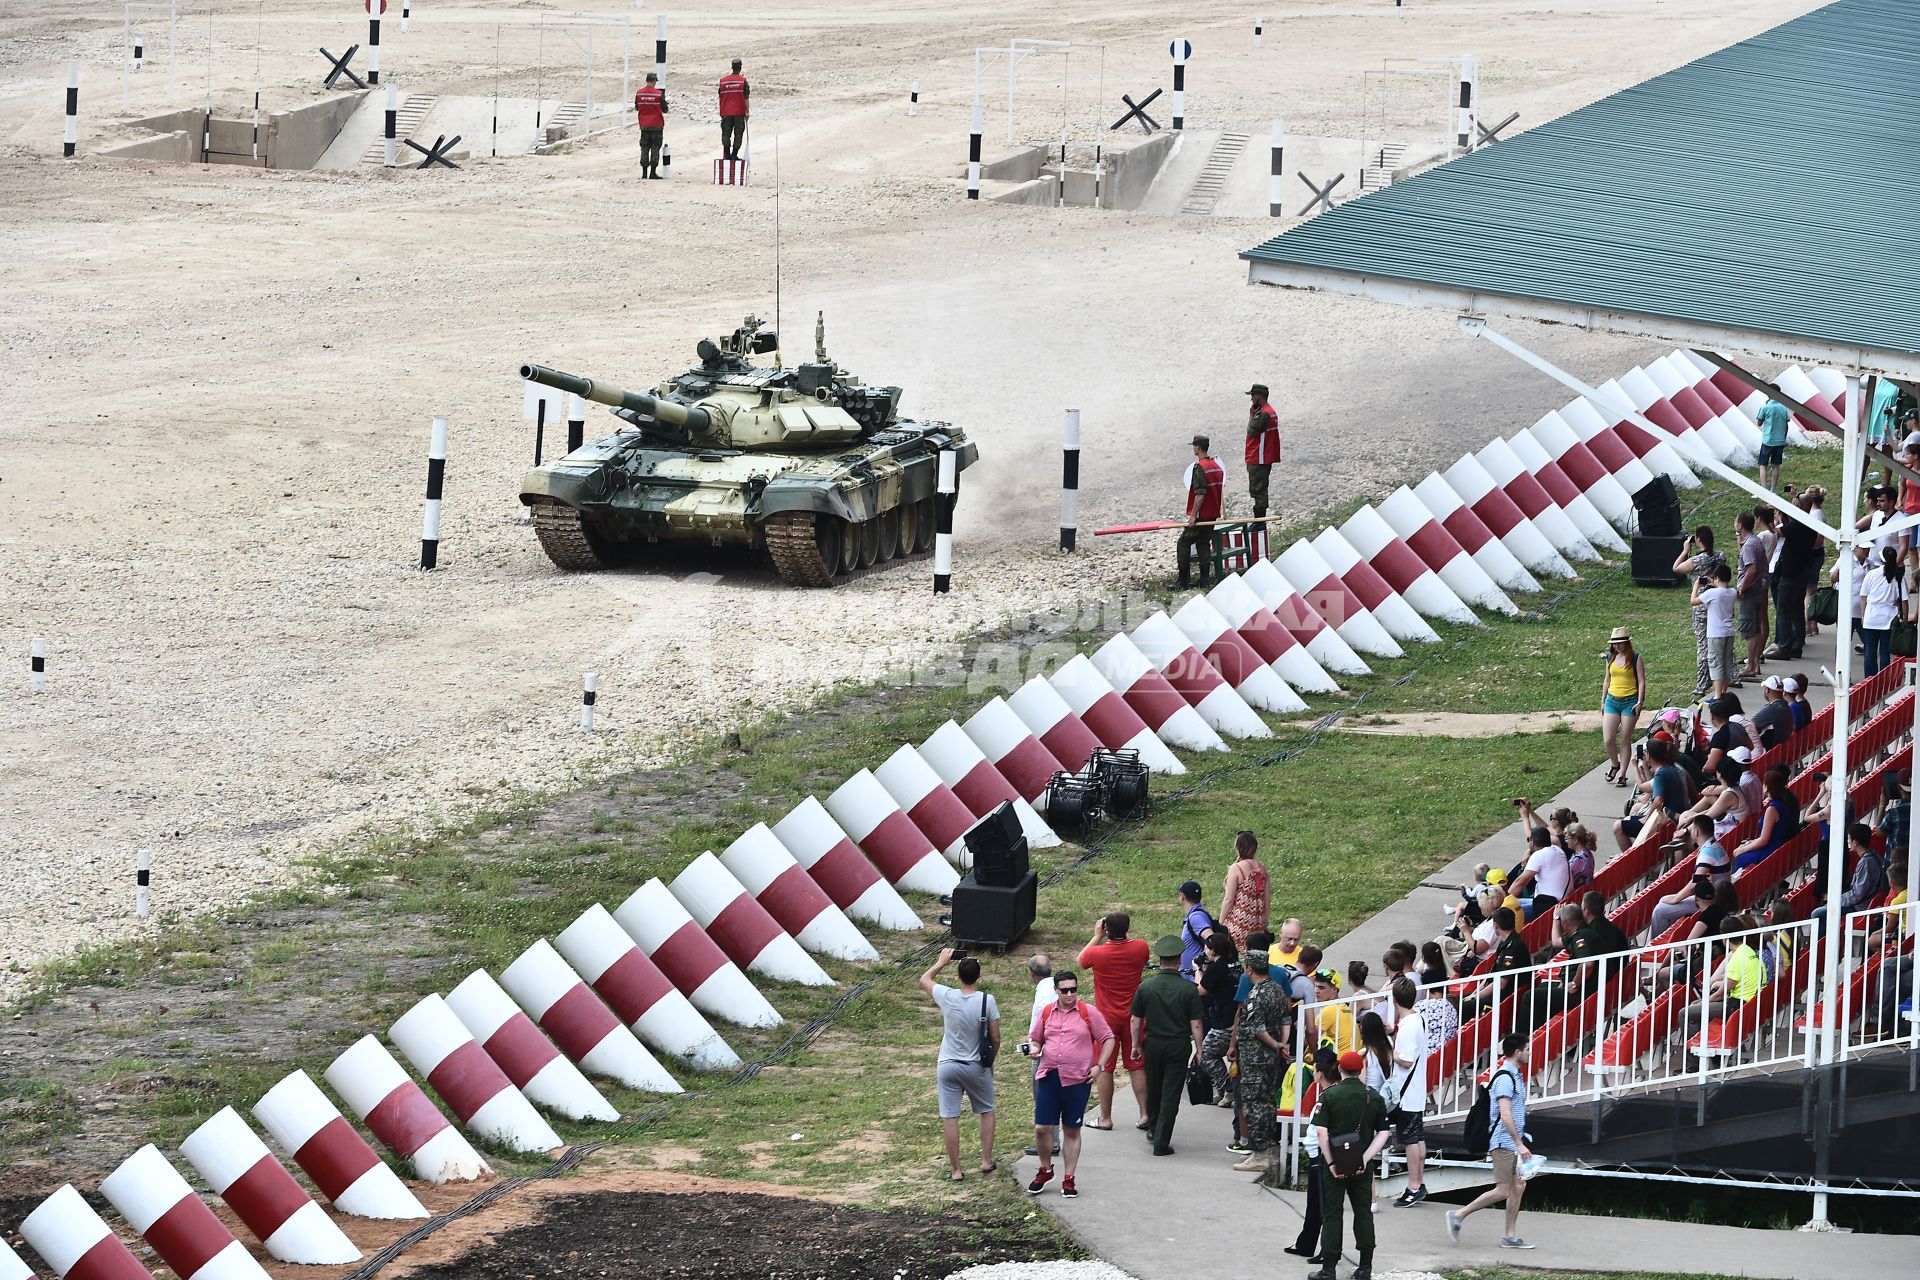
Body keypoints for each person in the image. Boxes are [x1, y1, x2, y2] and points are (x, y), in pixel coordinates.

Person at [1025, 968, 1112, 1198]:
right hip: (1050, 1076)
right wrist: (1035, 1048)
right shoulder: (1046, 1012)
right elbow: (1036, 1038)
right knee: (1042, 1127)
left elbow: (1108, 1038)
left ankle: (1069, 1178)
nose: (1070, 994)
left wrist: (1099, 1065)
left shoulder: (1087, 1012)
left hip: (1077, 1079)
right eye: (1065, 990)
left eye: (1074, 989)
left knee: (1072, 1129)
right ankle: (1045, 1169)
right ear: (1056, 991)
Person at [1307, 1050, 1392, 1280]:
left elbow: (1321, 1133)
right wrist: (1364, 1158)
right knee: (1363, 1212)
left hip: (1334, 1164)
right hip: (1361, 1165)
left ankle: (1329, 1269)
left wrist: (1332, 1162)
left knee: (1333, 1213)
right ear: (1361, 1070)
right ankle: (1365, 1267)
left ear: (1340, 1070)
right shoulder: (1374, 1097)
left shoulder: (1329, 1095)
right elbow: (1383, 1133)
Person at [1446, 1033, 1535, 1250]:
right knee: (1504, 1189)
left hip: (1513, 1142)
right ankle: (1458, 1215)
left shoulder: (1515, 1075)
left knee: (1519, 1186)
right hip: (1504, 1143)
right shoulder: (1506, 1078)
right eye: (1527, 1049)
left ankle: (1509, 1236)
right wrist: (1519, 1142)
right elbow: (1505, 1115)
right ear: (1517, 1052)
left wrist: (1522, 1140)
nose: (1530, 1052)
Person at [920, 948, 998, 1181]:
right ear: (979, 976)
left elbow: (924, 979)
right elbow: (995, 1037)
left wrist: (941, 962)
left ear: (958, 976)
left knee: (950, 1116)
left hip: (948, 1064)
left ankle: (956, 1170)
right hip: (975, 1065)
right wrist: (990, 1062)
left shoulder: (947, 996)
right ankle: (985, 1161)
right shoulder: (987, 1000)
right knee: (986, 1110)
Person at [1131, 934, 1205, 1156]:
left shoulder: (1146, 987)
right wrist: (1199, 1050)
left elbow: (1135, 1020)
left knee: (1153, 1087)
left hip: (1152, 1043)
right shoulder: (1188, 989)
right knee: (1171, 1091)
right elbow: (1196, 1024)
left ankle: (1154, 1127)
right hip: (1178, 1045)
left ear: (1160, 959)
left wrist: (1135, 1045)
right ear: (1179, 959)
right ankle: (1161, 1141)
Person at [1078, 911, 1150, 1129]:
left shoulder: (1097, 954)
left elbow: (1081, 959)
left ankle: (1105, 1118)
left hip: (1106, 1020)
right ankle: (1145, 1114)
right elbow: (1143, 958)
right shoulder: (1140, 947)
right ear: (1127, 928)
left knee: (1105, 1067)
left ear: (1106, 929)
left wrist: (1096, 935)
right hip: (1134, 1017)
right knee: (1136, 1065)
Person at [1231, 949, 1289, 1173]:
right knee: (1267, 1102)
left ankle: (1258, 1154)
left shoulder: (1256, 995)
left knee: (1254, 1105)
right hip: (1271, 1059)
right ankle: (1268, 1150)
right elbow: (1285, 1017)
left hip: (1255, 1058)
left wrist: (1275, 1044)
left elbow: (1257, 1029)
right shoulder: (1276, 989)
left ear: (1249, 969)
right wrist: (1282, 1044)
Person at [1283, 1048, 1341, 1265]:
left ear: (1319, 1073)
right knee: (1315, 1205)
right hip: (1320, 1156)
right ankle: (1306, 1244)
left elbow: (1321, 1131)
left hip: (1322, 1157)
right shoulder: (1328, 1093)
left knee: (1324, 1207)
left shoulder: (1328, 1096)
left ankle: (1327, 1249)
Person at [1386, 977, 1429, 1206]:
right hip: (1415, 1090)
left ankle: (1413, 1186)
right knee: (1418, 1137)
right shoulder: (1416, 1019)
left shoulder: (1408, 1026)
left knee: (1410, 1139)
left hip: (1407, 1092)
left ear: (1394, 999)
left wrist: (1388, 1051)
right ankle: (1419, 1182)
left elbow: (1406, 1061)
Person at [1675, 526, 1726, 697]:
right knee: (1722, 643)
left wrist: (1685, 550)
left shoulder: (1698, 560)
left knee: (1703, 646)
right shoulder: (1720, 556)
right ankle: (1729, 676)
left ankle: (1702, 683)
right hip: (1719, 604)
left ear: (1698, 540)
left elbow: (1676, 568)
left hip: (1701, 604)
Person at [1813, 823, 1887, 936]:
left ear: (1855, 841)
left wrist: (1835, 900)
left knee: (1817, 913)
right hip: (1865, 902)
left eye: (1849, 838)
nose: (1848, 841)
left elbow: (1857, 895)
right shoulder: (1876, 857)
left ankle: (1819, 949)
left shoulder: (1866, 863)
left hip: (1861, 907)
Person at [1768, 503, 1816, 659]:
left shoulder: (1796, 526)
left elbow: (1777, 532)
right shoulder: (1810, 525)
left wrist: (1772, 519)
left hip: (1789, 574)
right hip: (1802, 572)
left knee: (1783, 612)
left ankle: (1785, 647)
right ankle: (1797, 645)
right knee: (1796, 611)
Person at [1197, 932, 1241, 1101]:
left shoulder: (1216, 968)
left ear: (1213, 951)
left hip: (1224, 1021)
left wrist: (1197, 971)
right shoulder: (1235, 964)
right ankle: (1223, 1089)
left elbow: (1201, 989)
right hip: (1234, 1018)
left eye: (1207, 948)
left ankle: (1226, 1088)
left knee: (1207, 1054)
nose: (1205, 951)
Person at [1177, 436, 1226, 588]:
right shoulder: (1216, 467)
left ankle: (1183, 579)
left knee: (1183, 543)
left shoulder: (1200, 467)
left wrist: (1193, 516)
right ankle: (1204, 579)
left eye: (1194, 446)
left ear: (1198, 448)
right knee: (1203, 543)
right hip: (1212, 514)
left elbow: (1200, 494)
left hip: (1202, 515)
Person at [1730, 766, 1801, 872]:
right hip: (1779, 848)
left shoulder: (1772, 809)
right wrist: (1750, 843)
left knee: (1740, 857)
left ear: (1767, 787)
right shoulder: (1786, 802)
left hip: (1771, 852)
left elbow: (1764, 840)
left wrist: (1743, 849)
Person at [1600, 627, 1646, 784]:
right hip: (1612, 701)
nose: (1617, 646)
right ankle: (1615, 764)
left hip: (1630, 701)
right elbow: (1607, 680)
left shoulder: (1635, 658)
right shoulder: (1610, 658)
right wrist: (1603, 700)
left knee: (1625, 739)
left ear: (1627, 642)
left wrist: (1640, 701)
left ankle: (1623, 774)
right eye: (1615, 643)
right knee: (1608, 739)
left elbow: (1641, 681)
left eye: (1620, 643)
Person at [1694, 561, 1739, 697]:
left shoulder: (1712, 593)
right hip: (1729, 632)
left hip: (1715, 633)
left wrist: (1696, 586)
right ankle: (1723, 693)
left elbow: (1693, 601)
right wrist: (1714, 583)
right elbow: (1722, 590)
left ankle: (1717, 695)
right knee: (1726, 662)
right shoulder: (1732, 592)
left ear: (1717, 578)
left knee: (1715, 663)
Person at [1221, 830, 1271, 952]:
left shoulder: (1236, 868)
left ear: (1238, 847)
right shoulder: (1262, 868)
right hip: (1257, 922)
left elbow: (1229, 899)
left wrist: (1221, 922)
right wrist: (1264, 921)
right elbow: (1267, 898)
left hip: (1239, 923)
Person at [1511, 821, 1570, 920]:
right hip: (1559, 903)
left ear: (1532, 842)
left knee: (1507, 911)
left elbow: (1520, 882)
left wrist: (1504, 900)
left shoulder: (1538, 855)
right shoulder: (1557, 850)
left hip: (1549, 908)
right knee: (1516, 902)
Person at [1863, 545, 1905, 677]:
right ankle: (1884, 679)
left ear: (1881, 560)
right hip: (1889, 618)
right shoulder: (1898, 576)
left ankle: (1869, 680)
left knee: (1870, 651)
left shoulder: (1871, 574)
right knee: (1885, 652)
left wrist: (1863, 616)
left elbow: (1863, 597)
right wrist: (1903, 619)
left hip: (1871, 617)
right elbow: (1904, 600)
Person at [1736, 511, 1768, 679]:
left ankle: (1750, 666)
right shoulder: (1755, 541)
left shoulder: (1749, 545)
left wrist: (1742, 586)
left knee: (1749, 629)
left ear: (1741, 525)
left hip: (1749, 591)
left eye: (1736, 522)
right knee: (1755, 629)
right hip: (1758, 590)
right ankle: (1755, 665)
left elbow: (1752, 569)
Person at [1244, 383, 1282, 522]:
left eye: (1253, 396)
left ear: (1259, 396)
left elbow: (1251, 430)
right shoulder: (1269, 411)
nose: (1251, 399)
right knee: (1260, 488)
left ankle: (1259, 521)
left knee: (1258, 489)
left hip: (1259, 457)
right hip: (1262, 456)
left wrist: (1252, 413)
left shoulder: (1263, 413)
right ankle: (1259, 520)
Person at [1176, 879, 1216, 980]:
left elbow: (1211, 938)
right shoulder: (1196, 915)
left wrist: (1202, 964)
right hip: (1193, 977)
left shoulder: (1196, 917)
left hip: (1196, 979)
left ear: (1182, 896)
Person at [1311, 968, 1358, 1053]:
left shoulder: (1330, 1009)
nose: (1316, 991)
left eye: (1321, 988)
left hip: (1340, 1060)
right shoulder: (1343, 1006)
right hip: (1353, 1057)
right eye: (1315, 986)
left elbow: (1310, 1038)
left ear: (1334, 990)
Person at [633, 72, 668, 178]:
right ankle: (652, 172)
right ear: (654, 82)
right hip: (657, 124)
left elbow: (637, 107)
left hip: (644, 124)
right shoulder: (658, 94)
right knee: (655, 147)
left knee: (644, 147)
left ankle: (644, 173)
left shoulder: (639, 93)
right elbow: (665, 109)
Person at [717, 58, 749, 160]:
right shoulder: (742, 81)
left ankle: (727, 155)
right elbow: (746, 97)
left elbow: (720, 95)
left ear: (732, 67)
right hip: (739, 112)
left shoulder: (723, 82)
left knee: (726, 134)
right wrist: (747, 112)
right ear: (740, 68)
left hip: (726, 111)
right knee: (738, 134)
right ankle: (734, 155)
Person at [1755, 399, 1791, 491]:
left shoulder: (1765, 407)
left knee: (1763, 464)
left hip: (1768, 440)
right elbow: (1786, 426)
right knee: (1776, 465)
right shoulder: (1784, 408)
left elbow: (1759, 423)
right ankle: (1773, 489)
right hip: (1780, 440)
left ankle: (1764, 488)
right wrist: (1784, 438)